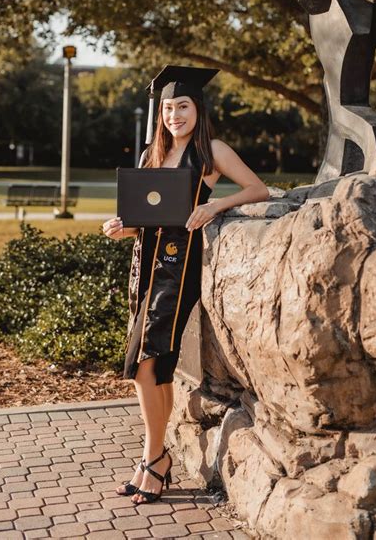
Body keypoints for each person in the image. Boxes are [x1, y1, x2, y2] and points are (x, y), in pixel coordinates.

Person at [102, 65, 269, 505]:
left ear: (198, 108)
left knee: (144, 366)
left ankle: (153, 459)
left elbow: (258, 190)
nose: (174, 115)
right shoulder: (148, 155)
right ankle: (155, 459)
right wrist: (124, 227)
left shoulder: (210, 152)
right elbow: (143, 220)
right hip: (144, 271)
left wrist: (215, 206)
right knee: (154, 368)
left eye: (183, 106)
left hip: (178, 272)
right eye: (168, 108)